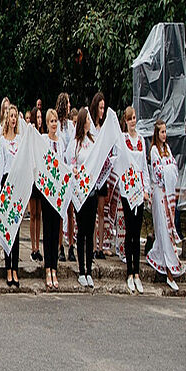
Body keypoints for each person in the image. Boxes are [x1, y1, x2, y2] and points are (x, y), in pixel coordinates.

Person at [147, 119, 184, 291]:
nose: (164, 134)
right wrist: (167, 170)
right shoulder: (154, 150)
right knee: (162, 229)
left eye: (165, 131)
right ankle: (169, 271)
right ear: (157, 133)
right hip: (159, 193)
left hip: (168, 194)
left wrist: (168, 169)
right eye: (162, 131)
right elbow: (158, 172)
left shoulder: (167, 149)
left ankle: (166, 262)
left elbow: (174, 168)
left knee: (168, 231)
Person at [121, 107, 150, 294]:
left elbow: (144, 166)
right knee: (129, 230)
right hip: (127, 189)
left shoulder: (141, 140)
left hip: (139, 189)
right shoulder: (123, 140)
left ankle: (137, 272)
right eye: (130, 119)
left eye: (134, 118)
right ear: (125, 120)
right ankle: (129, 271)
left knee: (137, 230)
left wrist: (146, 188)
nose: (132, 121)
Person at [72, 108, 99, 289]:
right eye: (88, 119)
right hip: (80, 193)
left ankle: (89, 269)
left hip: (92, 192)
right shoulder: (76, 143)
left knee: (90, 232)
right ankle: (81, 270)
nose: (90, 122)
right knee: (81, 232)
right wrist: (74, 171)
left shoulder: (93, 142)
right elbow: (70, 162)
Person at [0, 105, 22, 288]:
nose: (13, 119)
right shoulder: (2, 141)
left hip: (17, 182)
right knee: (7, 228)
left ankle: (15, 267)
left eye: (15, 116)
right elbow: (0, 167)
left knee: (17, 227)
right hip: (6, 181)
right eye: (11, 116)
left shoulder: (20, 140)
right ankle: (7, 267)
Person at [41, 109, 65, 291]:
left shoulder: (61, 141)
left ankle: (54, 268)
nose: (54, 124)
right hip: (46, 191)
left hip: (58, 192)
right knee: (47, 229)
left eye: (56, 121)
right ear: (47, 124)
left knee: (56, 230)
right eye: (51, 121)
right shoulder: (43, 140)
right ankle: (47, 267)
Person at [89, 91, 110, 259]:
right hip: (92, 175)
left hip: (103, 175)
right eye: (100, 108)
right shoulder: (91, 128)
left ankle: (100, 247)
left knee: (102, 210)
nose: (102, 111)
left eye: (104, 108)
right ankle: (92, 244)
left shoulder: (104, 129)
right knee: (92, 211)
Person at [55, 93, 76, 261]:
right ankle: (60, 245)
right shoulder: (58, 125)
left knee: (70, 210)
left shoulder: (71, 126)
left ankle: (71, 245)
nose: (70, 106)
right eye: (68, 103)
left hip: (70, 169)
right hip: (60, 171)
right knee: (61, 210)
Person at [28, 105, 44, 263]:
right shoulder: (31, 134)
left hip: (41, 179)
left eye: (41, 117)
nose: (39, 120)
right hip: (32, 178)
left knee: (39, 213)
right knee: (32, 213)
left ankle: (38, 246)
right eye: (37, 117)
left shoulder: (43, 136)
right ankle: (32, 246)